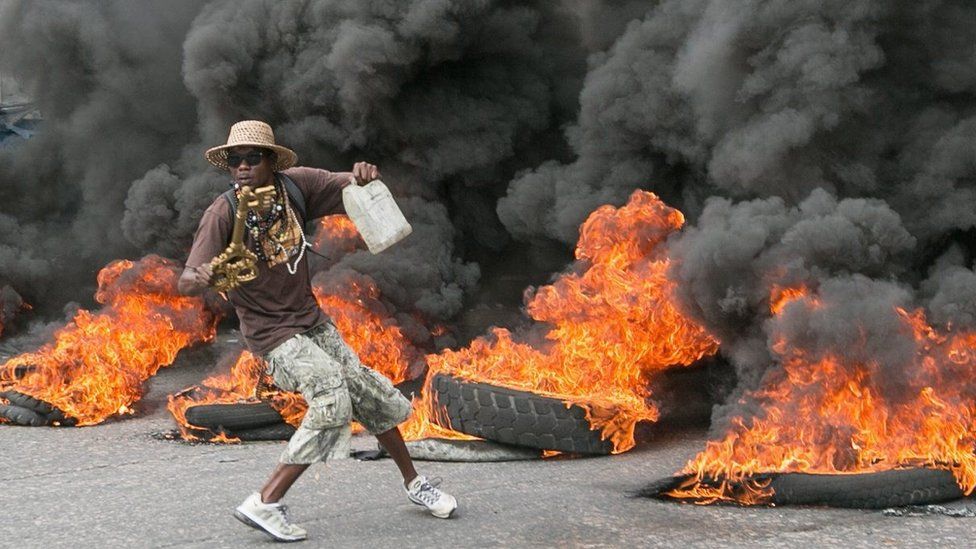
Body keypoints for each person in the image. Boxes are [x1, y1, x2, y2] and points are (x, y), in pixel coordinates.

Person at [179, 120, 457, 542]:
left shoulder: (297, 188)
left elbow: (350, 184)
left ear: (271, 161)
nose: (241, 167)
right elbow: (186, 280)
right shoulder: (223, 213)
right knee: (331, 395)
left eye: (252, 158)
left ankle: (414, 484)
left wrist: (364, 174)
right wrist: (202, 276)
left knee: (368, 392)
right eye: (234, 160)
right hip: (272, 334)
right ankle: (265, 502)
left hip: (310, 320)